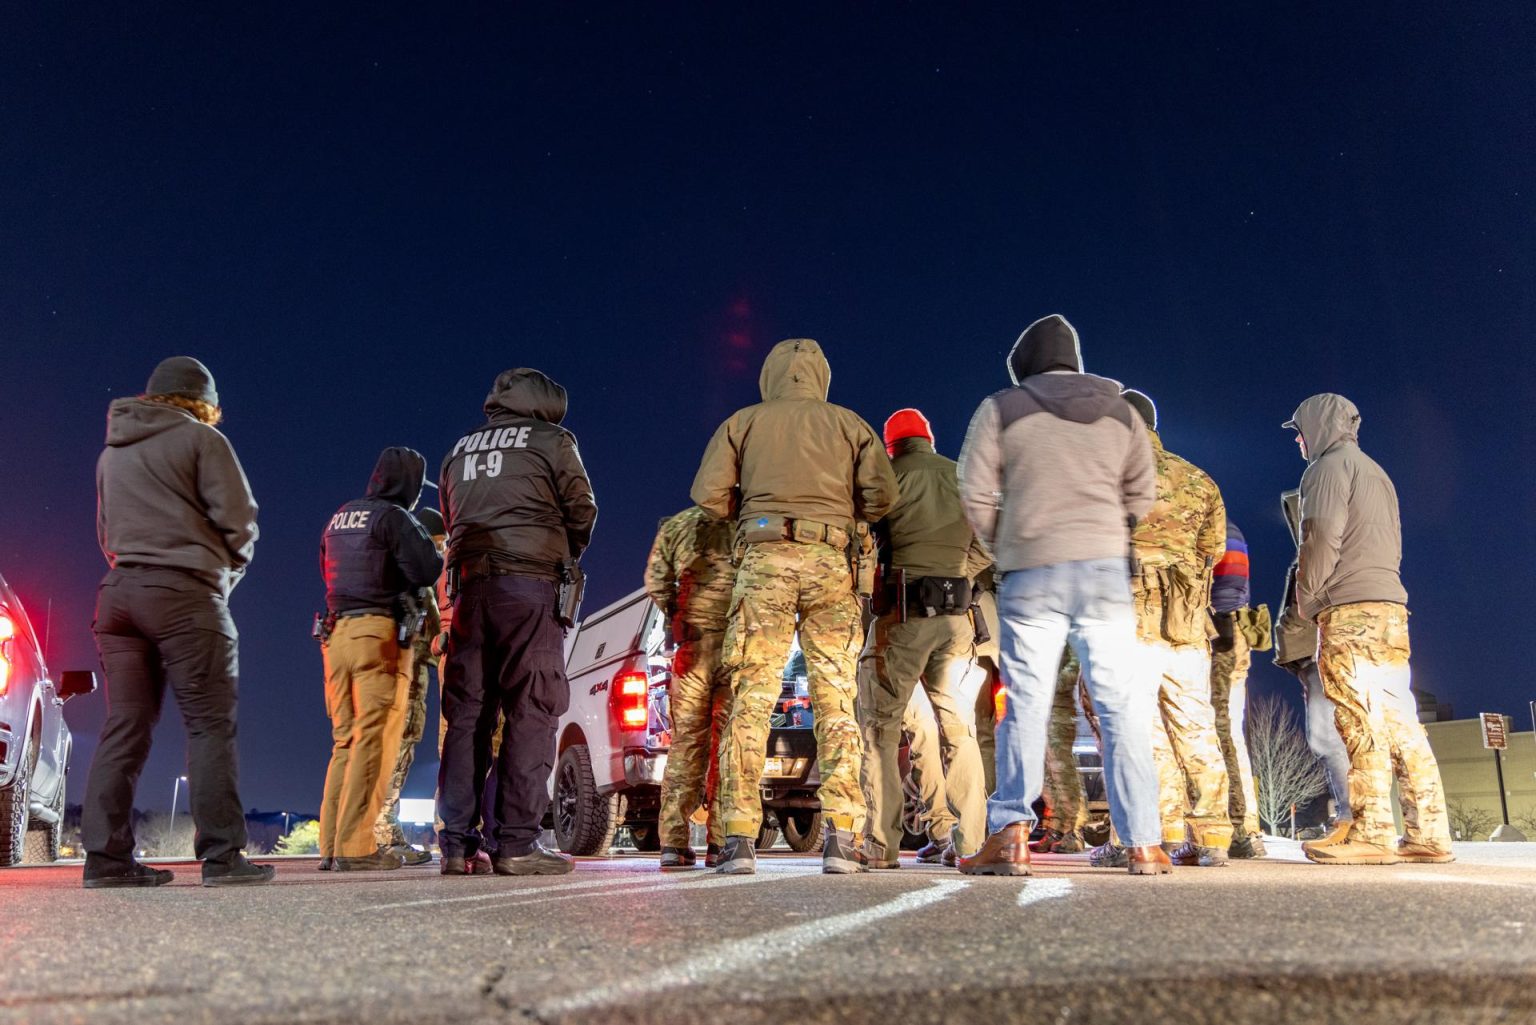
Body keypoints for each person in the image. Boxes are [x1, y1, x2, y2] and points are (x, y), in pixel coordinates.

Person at [955, 315, 1165, 877]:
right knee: (1121, 706)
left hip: (1032, 569)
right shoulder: (1123, 413)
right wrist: (1103, 529)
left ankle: (1010, 836)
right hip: (1105, 575)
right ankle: (1144, 842)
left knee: (1025, 704)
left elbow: (973, 491)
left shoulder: (1001, 408)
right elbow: (1143, 493)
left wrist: (1007, 545)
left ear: (1024, 364)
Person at [692, 338, 898, 875]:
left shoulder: (743, 422)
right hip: (832, 564)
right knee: (837, 702)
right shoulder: (851, 424)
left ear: (769, 376)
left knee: (751, 697)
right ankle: (843, 837)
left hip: (763, 561)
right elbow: (882, 498)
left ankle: (738, 839)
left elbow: (708, 495)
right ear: (821, 377)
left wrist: (755, 503)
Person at [81, 356, 272, 888]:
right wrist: (220, 579)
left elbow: (104, 533)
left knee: (125, 725)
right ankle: (222, 858)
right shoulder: (203, 441)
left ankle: (105, 860)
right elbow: (240, 522)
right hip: (185, 595)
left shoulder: (110, 454)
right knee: (210, 726)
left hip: (117, 597)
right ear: (203, 401)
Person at [438, 369, 597, 876]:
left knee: (468, 716)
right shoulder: (553, 440)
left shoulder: (457, 450)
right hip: (529, 589)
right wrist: (558, 552)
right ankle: (516, 844)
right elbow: (582, 509)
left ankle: (458, 846)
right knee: (533, 708)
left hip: (469, 592)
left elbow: (449, 515)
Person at [1284, 394, 1452, 865]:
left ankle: (1373, 832)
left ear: (1317, 427)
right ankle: (1428, 833)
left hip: (1348, 610)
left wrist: (1308, 598)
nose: (1298, 439)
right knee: (1402, 722)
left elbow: (1320, 538)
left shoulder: (1325, 469)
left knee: (1358, 721)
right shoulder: (1377, 472)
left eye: (1299, 430)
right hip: (1389, 609)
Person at [859, 408, 991, 868]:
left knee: (881, 729)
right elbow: (991, 541)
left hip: (903, 616)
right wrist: (957, 572)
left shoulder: (888, 478)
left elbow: (864, 543)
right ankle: (971, 841)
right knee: (960, 731)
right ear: (930, 439)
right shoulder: (961, 476)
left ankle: (882, 845)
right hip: (957, 620)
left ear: (890, 445)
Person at [1110, 389, 1232, 869]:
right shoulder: (1198, 479)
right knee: (1197, 727)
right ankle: (1213, 838)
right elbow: (1214, 550)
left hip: (1129, 623)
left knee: (1137, 731)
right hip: (1185, 625)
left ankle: (1149, 834)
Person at [318, 448, 443, 871]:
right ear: (407, 484)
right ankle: (357, 847)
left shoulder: (340, 517)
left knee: (345, 742)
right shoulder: (394, 518)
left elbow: (327, 567)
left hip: (336, 636)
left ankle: (331, 845)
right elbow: (426, 569)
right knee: (376, 740)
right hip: (378, 636)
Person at [644, 505, 736, 869]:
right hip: (736, 649)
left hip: (691, 647)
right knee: (729, 745)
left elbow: (655, 581)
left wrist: (677, 614)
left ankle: (674, 843)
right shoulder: (747, 521)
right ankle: (722, 841)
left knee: (686, 746)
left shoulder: (678, 525)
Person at [371, 505, 446, 866]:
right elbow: (435, 635)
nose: (443, 552)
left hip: (378, 676)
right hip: (408, 683)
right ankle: (383, 831)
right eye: (440, 543)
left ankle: (368, 830)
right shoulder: (418, 580)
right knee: (399, 752)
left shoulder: (383, 572)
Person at [1274, 489, 1352, 835]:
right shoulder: (1320, 551)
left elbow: (1305, 605)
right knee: (1333, 738)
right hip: (1315, 656)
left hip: (1325, 653)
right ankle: (1356, 817)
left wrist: (1290, 635)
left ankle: (1353, 817)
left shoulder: (1323, 553)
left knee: (1330, 738)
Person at [1209, 520, 1269, 859]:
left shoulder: (1215, 528)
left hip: (1220, 631)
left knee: (1217, 733)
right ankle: (1246, 829)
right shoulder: (1232, 528)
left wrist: (1217, 621)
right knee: (1230, 731)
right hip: (1236, 631)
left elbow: (1226, 587)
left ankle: (1235, 829)